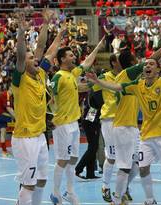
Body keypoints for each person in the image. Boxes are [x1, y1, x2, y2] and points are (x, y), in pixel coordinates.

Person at [86, 57, 161, 205]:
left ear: (158, 69)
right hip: (146, 134)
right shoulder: (137, 85)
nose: (147, 66)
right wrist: (98, 82)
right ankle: (150, 200)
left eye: (151, 64)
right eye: (145, 64)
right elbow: (117, 87)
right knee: (143, 168)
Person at [49, 36, 104, 205]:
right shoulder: (58, 77)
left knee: (72, 158)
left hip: (74, 123)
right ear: (62, 59)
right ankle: (55, 193)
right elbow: (48, 98)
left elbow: (86, 63)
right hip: (62, 124)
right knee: (62, 159)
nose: (74, 57)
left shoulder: (72, 74)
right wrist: (50, 117)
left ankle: (70, 191)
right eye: (71, 55)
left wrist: (97, 47)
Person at [11, 9, 57, 205]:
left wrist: (45, 23)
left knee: (42, 179)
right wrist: (21, 32)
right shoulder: (19, 79)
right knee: (28, 184)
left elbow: (42, 46)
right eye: (31, 59)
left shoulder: (40, 75)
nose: (35, 59)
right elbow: (22, 55)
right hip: (25, 138)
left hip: (39, 136)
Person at [0, 83, 14, 157]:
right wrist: (17, 117)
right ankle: (17, 149)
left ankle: (4, 151)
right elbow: (9, 109)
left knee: (3, 132)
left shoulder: (9, 96)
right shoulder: (6, 95)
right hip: (1, 115)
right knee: (16, 127)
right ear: (11, 88)